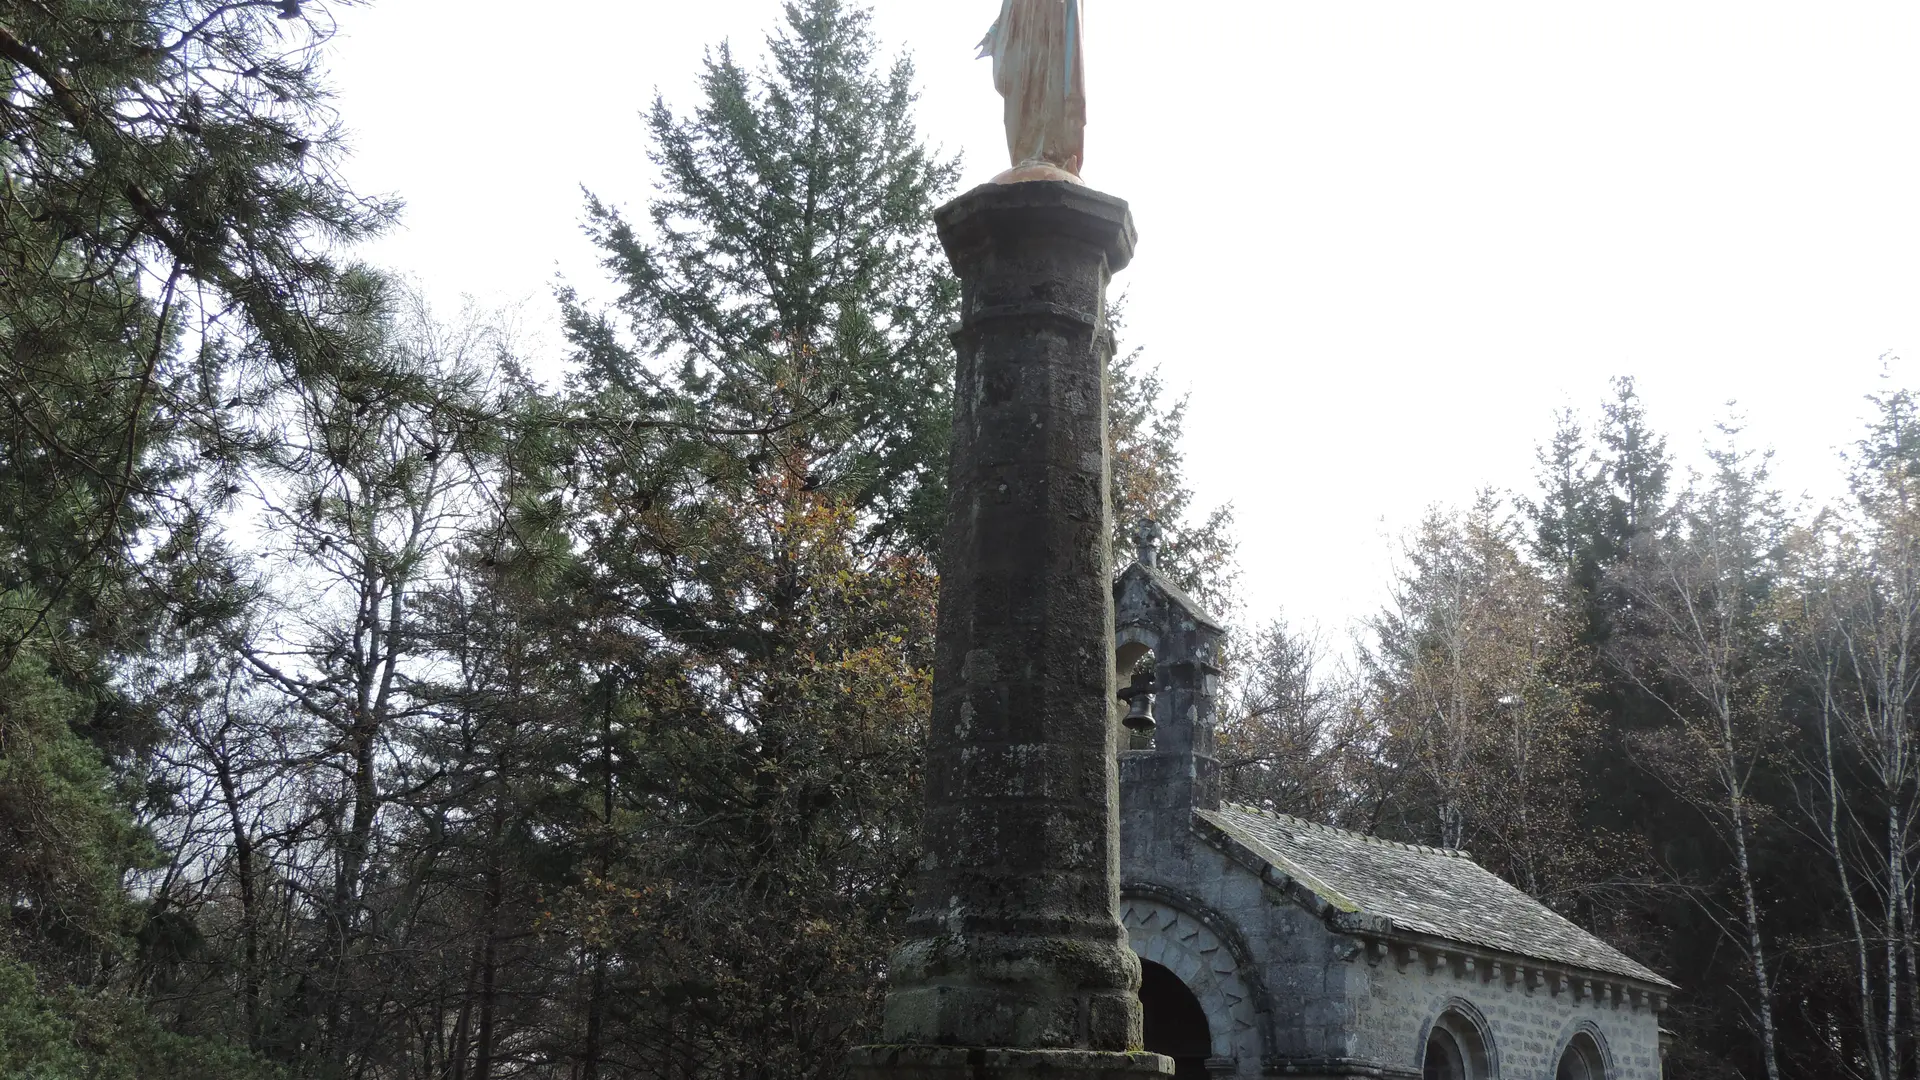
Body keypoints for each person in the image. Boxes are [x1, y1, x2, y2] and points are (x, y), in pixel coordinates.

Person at [977, 0, 1087, 176]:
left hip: (1055, 36)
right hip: (1027, 45)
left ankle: (1051, 155)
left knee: (1052, 92)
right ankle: (1027, 154)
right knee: (1025, 99)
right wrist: (994, 31)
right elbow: (1011, 9)